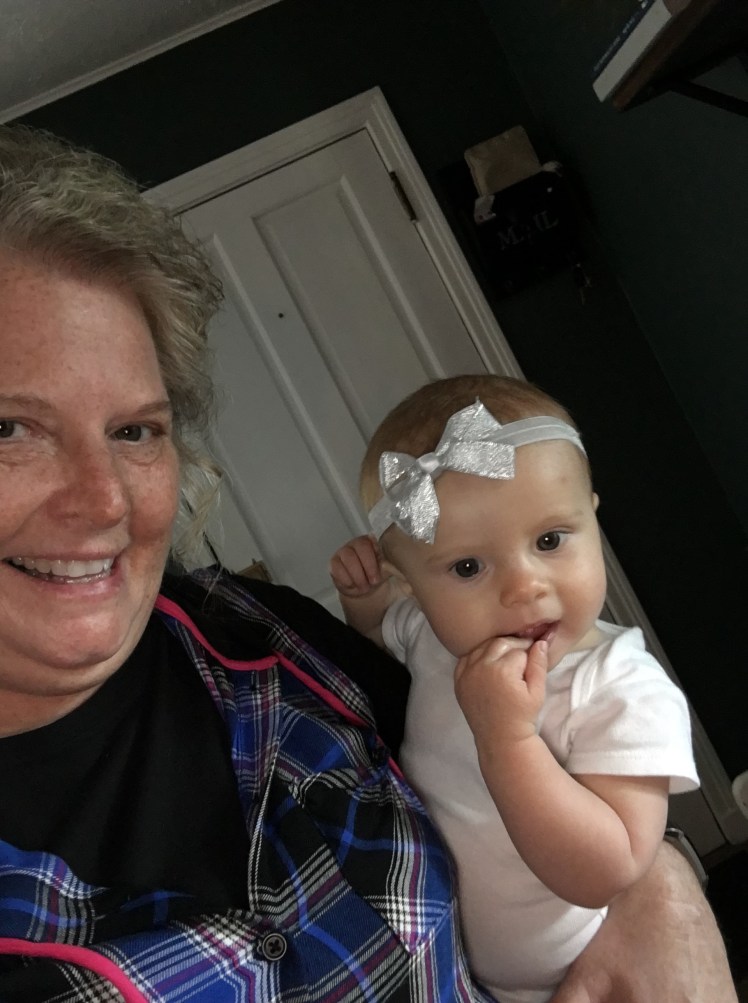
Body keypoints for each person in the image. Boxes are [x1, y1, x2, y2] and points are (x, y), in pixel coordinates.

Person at [0, 122, 736, 1003]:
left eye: (134, 430)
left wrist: (663, 896)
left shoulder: (257, 631)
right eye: (9, 428)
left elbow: (577, 808)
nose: (105, 502)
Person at [329, 375, 704, 1002]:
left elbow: (611, 868)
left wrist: (506, 739)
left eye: (550, 541)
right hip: (442, 969)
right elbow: (373, 639)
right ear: (412, 585)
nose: (524, 586)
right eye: (468, 567)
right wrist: (362, 599)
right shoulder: (434, 637)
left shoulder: (621, 688)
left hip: (571, 978)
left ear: (592, 517)